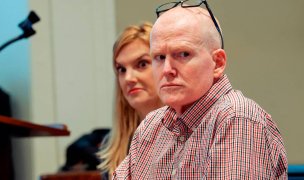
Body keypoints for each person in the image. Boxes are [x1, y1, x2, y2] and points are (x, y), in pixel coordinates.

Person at [113, 1, 288, 179]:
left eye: (183, 54)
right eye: (159, 57)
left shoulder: (237, 118)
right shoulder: (152, 126)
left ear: (218, 63)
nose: (167, 69)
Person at [97, 22, 163, 178]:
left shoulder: (192, 134)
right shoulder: (116, 146)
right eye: (121, 69)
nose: (128, 78)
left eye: (141, 64)